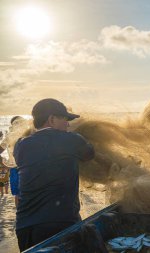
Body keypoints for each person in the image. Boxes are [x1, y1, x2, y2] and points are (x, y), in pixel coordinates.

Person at [13, 98, 95, 251]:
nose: (68, 125)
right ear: (51, 119)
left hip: (25, 227)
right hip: (60, 225)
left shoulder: (20, 145)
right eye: (65, 119)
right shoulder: (71, 140)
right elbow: (89, 154)